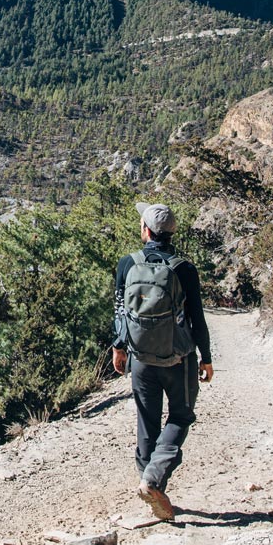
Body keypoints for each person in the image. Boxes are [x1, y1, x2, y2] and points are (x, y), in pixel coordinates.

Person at [110, 200, 214, 521]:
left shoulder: (127, 264)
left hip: (141, 359)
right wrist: (206, 358)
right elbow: (197, 319)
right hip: (178, 359)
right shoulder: (184, 268)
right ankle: (152, 481)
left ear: (146, 231)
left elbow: (120, 311)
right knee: (180, 416)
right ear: (170, 233)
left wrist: (119, 347)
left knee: (147, 420)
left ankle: (148, 480)